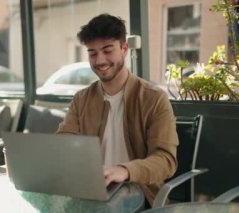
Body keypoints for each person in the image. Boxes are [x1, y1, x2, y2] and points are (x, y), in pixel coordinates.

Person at [57, 13, 178, 206]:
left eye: (107, 50)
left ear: (124, 49)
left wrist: (124, 170)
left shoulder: (154, 98)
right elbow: (63, 144)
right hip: (90, 192)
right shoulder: (81, 99)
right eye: (92, 53)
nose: (99, 60)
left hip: (138, 192)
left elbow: (165, 161)